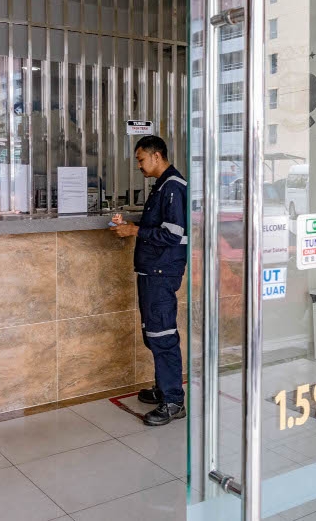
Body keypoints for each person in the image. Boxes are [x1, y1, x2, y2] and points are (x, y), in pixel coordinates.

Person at [111, 135, 188, 426]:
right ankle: (163, 388)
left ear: (157, 156)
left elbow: (172, 234)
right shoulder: (162, 186)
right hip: (151, 272)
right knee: (154, 333)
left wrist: (134, 231)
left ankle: (173, 401)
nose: (139, 166)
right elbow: (161, 227)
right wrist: (134, 228)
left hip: (161, 273)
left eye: (142, 160)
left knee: (163, 336)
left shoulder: (173, 187)